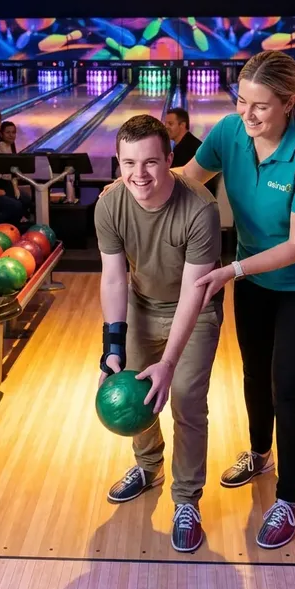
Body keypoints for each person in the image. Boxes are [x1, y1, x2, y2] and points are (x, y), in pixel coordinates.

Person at [181, 50, 295, 549]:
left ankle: (289, 499)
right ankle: (259, 454)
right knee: (254, 373)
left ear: (289, 103)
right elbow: (188, 177)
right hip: (254, 278)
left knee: (287, 388)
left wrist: (230, 270)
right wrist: (131, 182)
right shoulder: (229, 133)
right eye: (241, 101)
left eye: (261, 106)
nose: (247, 115)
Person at [95, 114, 222, 554]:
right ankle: (149, 467)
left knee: (185, 398)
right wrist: (112, 347)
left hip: (195, 309)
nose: (139, 174)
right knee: (134, 389)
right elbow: (114, 278)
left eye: (150, 162)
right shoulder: (110, 204)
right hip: (141, 305)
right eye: (129, 163)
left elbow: (194, 291)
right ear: (118, 162)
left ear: (170, 159)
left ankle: (186, 500)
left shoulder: (200, 209)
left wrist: (168, 362)